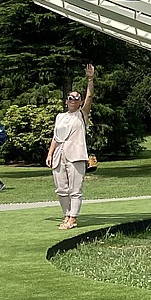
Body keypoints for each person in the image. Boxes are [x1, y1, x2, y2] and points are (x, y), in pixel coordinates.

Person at [46, 64, 95, 230]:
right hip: (59, 155)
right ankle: (66, 214)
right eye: (70, 98)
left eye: (76, 98)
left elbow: (90, 97)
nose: (72, 100)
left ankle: (73, 217)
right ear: (66, 101)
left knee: (75, 189)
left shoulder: (81, 115)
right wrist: (50, 154)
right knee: (61, 189)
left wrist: (90, 79)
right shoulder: (60, 117)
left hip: (76, 155)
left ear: (79, 101)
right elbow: (56, 137)